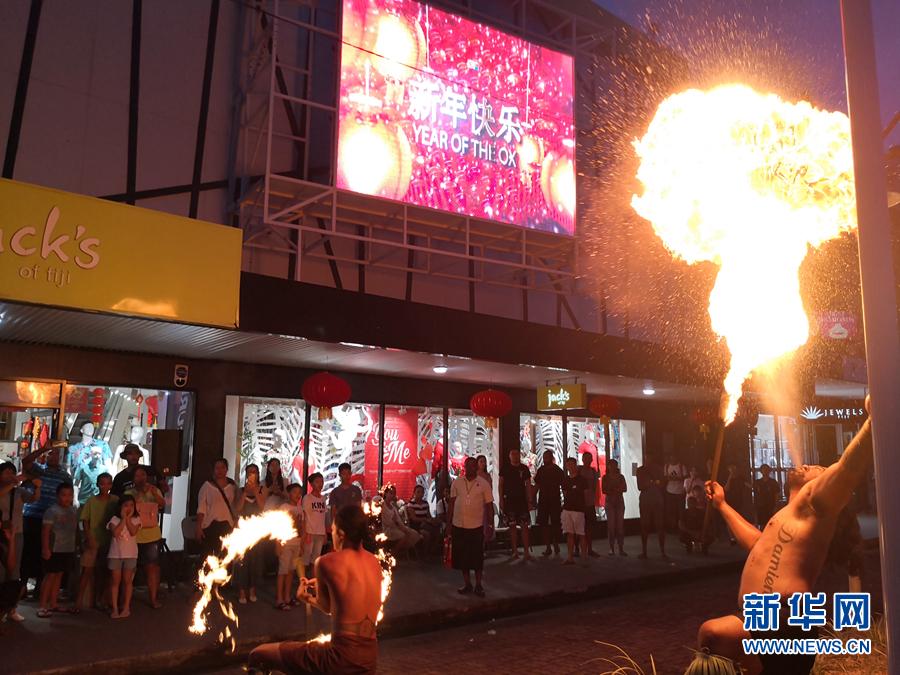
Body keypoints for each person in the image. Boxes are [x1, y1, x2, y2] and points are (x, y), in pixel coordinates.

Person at [697, 399, 874, 675]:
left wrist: (872, 423)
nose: (807, 466)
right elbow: (759, 544)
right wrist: (722, 505)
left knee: (713, 635)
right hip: (760, 619)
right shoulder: (788, 516)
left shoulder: (817, 504)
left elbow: (847, 470)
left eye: (817, 468)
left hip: (786, 623)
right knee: (712, 636)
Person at [247, 504, 381, 675]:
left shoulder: (327, 562)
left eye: (332, 530)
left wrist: (308, 598)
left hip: (340, 657)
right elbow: (348, 609)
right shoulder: (374, 562)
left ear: (341, 534)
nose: (331, 534)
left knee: (258, 655)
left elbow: (326, 607)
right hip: (369, 658)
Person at [21, 442, 67, 596]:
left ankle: (39, 588)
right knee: (27, 552)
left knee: (46, 554)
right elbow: (26, 462)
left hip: (52, 520)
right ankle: (21, 587)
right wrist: (43, 448)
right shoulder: (38, 471)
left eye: (56, 454)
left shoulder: (64, 476)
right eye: (50, 454)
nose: (53, 456)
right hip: (32, 516)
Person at [448, 457, 493, 597]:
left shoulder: (484, 484)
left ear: (477, 468)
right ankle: (467, 583)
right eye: (468, 465)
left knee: (477, 558)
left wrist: (490, 525)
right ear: (465, 467)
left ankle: (478, 585)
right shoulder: (457, 483)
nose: (471, 468)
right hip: (459, 525)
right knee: (463, 558)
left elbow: (490, 506)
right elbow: (452, 503)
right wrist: (448, 523)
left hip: (476, 526)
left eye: (474, 465)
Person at [76, 472, 117, 612]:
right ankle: (79, 601)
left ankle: (101, 600)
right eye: (102, 483)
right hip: (93, 540)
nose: (105, 486)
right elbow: (85, 520)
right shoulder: (91, 501)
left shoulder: (115, 500)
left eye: (108, 483)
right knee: (87, 570)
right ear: (97, 484)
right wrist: (89, 538)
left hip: (109, 541)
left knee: (105, 573)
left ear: (111, 485)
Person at [125, 466, 165, 609]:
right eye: (137, 475)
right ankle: (125, 601)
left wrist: (154, 493)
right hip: (133, 534)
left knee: (152, 567)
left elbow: (162, 504)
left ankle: (153, 598)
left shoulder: (155, 490)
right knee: (129, 568)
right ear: (133, 479)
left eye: (143, 475)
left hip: (152, 535)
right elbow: (128, 505)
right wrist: (141, 492)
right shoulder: (129, 492)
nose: (141, 477)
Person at [38, 482, 78, 617]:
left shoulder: (73, 511)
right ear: (57, 496)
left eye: (70, 495)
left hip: (67, 548)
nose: (67, 498)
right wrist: (45, 548)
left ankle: (53, 603)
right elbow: (45, 531)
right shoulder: (52, 511)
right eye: (64, 495)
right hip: (54, 548)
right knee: (50, 576)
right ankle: (42, 606)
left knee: (59, 576)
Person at [234, 463, 268, 604]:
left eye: (254, 472)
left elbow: (261, 505)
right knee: (242, 560)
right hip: (242, 529)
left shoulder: (262, 489)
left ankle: (252, 590)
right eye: (249, 472)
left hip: (256, 530)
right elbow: (238, 508)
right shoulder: (240, 489)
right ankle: (241, 591)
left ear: (258, 474)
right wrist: (245, 492)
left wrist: (254, 489)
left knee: (256, 560)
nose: (251, 474)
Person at [498, 447, 536, 562]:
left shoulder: (524, 468)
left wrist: (530, 501)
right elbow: (501, 484)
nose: (514, 455)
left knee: (524, 526)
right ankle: (515, 552)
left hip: (522, 502)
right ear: (509, 456)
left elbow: (528, 485)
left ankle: (526, 552)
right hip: (509, 501)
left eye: (516, 454)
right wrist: (501, 500)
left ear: (519, 455)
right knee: (512, 527)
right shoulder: (505, 468)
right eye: (512, 453)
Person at [107, 494, 141, 619]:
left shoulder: (137, 519)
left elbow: (133, 532)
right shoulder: (114, 519)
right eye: (126, 505)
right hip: (115, 555)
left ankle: (126, 607)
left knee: (128, 581)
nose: (129, 508)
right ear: (120, 507)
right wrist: (123, 519)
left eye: (132, 505)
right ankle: (115, 608)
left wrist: (128, 519)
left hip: (131, 554)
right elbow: (115, 533)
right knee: (115, 581)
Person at [196, 458, 238, 560]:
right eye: (217, 468)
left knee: (225, 557)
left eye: (222, 467)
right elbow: (201, 507)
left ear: (227, 469)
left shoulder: (233, 485)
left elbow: (237, 505)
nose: (220, 470)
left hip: (228, 524)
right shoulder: (207, 485)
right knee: (209, 556)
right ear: (213, 470)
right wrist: (199, 526)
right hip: (211, 525)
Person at [276, 484, 305, 611]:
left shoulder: (300, 509)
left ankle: (287, 597)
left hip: (296, 543)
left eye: (299, 492)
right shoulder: (283, 508)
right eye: (294, 492)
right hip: (285, 544)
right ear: (288, 494)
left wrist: (302, 545)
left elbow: (303, 528)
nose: (297, 495)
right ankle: (279, 599)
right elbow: (277, 527)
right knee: (282, 571)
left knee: (290, 571)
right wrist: (277, 545)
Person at [533, 450, 564, 556]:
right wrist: (532, 498)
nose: (545, 459)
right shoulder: (541, 470)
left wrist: (565, 500)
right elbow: (537, 485)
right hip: (543, 500)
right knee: (543, 523)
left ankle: (555, 543)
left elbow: (563, 487)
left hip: (555, 500)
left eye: (547, 457)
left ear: (551, 458)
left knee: (556, 523)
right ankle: (548, 546)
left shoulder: (558, 470)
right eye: (544, 457)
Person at [637, 453, 667, 560]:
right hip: (646, 500)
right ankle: (644, 551)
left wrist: (654, 483)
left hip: (657, 500)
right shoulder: (640, 470)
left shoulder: (658, 469)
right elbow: (640, 486)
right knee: (645, 526)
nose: (649, 459)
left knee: (659, 526)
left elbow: (662, 484)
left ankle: (662, 551)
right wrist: (652, 483)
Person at [561, 457, 590, 567]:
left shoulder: (582, 479)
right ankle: (570, 557)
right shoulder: (565, 480)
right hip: (568, 509)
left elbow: (586, 495)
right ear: (566, 467)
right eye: (569, 465)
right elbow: (566, 494)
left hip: (578, 510)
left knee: (581, 534)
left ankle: (583, 559)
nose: (571, 467)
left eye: (573, 464)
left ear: (576, 466)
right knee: (570, 534)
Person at [380, 486, 421, 558]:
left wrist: (403, 527)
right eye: (391, 493)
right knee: (403, 536)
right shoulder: (383, 506)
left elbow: (398, 520)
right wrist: (400, 528)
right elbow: (388, 522)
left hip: (397, 526)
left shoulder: (393, 506)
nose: (393, 495)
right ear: (385, 494)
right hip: (388, 529)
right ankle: (394, 552)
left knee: (415, 534)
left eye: (394, 493)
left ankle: (399, 548)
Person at [302, 473, 329, 576]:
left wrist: (325, 533)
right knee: (306, 559)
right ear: (311, 484)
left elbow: (324, 517)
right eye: (317, 482)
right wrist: (304, 532)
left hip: (320, 532)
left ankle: (314, 584)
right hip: (310, 532)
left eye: (321, 481)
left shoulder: (323, 499)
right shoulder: (308, 498)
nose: (320, 484)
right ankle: (302, 583)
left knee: (315, 559)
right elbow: (303, 516)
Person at [601, 458, 627, 556]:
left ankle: (620, 548)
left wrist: (612, 488)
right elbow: (605, 490)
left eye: (614, 465)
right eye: (611, 465)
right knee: (611, 526)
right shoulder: (606, 478)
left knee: (619, 526)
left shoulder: (620, 477)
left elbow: (624, 488)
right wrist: (617, 489)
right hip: (612, 501)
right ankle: (612, 548)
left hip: (617, 501)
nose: (613, 467)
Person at [406, 484, 441, 558]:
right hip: (416, 526)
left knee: (438, 533)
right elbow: (414, 518)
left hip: (426, 525)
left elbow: (428, 515)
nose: (420, 494)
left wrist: (432, 520)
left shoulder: (425, 503)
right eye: (418, 492)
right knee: (427, 534)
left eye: (422, 492)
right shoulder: (411, 504)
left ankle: (431, 551)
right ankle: (425, 554)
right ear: (414, 493)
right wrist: (426, 520)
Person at [578, 452, 601, 558]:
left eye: (589, 458)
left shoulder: (594, 472)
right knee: (578, 526)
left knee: (589, 526)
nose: (587, 460)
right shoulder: (579, 470)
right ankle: (577, 548)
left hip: (590, 503)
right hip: (579, 503)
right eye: (585, 458)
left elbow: (594, 487)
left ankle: (590, 548)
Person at [664, 454, 688, 533]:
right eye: (671, 458)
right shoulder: (667, 466)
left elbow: (685, 478)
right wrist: (669, 478)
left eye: (674, 458)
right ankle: (671, 527)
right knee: (671, 510)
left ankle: (681, 527)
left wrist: (677, 478)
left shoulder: (681, 466)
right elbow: (664, 477)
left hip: (679, 491)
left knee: (680, 510)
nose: (673, 460)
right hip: (670, 491)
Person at [753, 463, 780, 529]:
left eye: (767, 469)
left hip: (770, 506)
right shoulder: (757, 482)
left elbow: (777, 494)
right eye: (763, 469)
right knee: (761, 524)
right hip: (760, 506)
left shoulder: (773, 482)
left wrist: (776, 505)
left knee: (771, 524)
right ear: (761, 471)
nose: (765, 471)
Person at [476, 455, 495, 541]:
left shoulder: (487, 475)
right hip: (476, 503)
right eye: (481, 462)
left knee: (486, 523)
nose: (483, 464)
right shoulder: (475, 475)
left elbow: (490, 488)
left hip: (485, 503)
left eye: (484, 462)